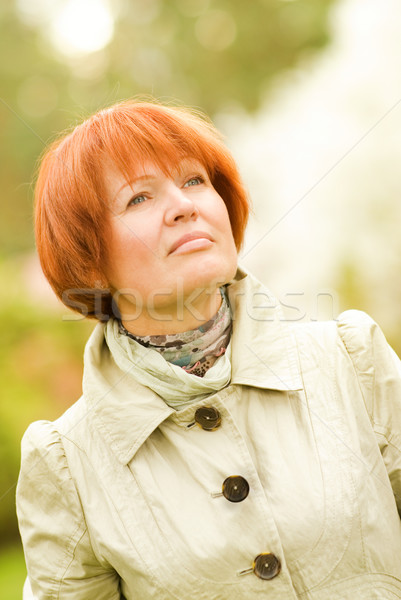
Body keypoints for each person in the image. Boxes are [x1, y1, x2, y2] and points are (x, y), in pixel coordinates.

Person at [16, 99, 401, 600]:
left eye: (195, 180)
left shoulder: (353, 359)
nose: (184, 205)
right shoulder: (65, 462)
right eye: (138, 198)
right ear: (88, 261)